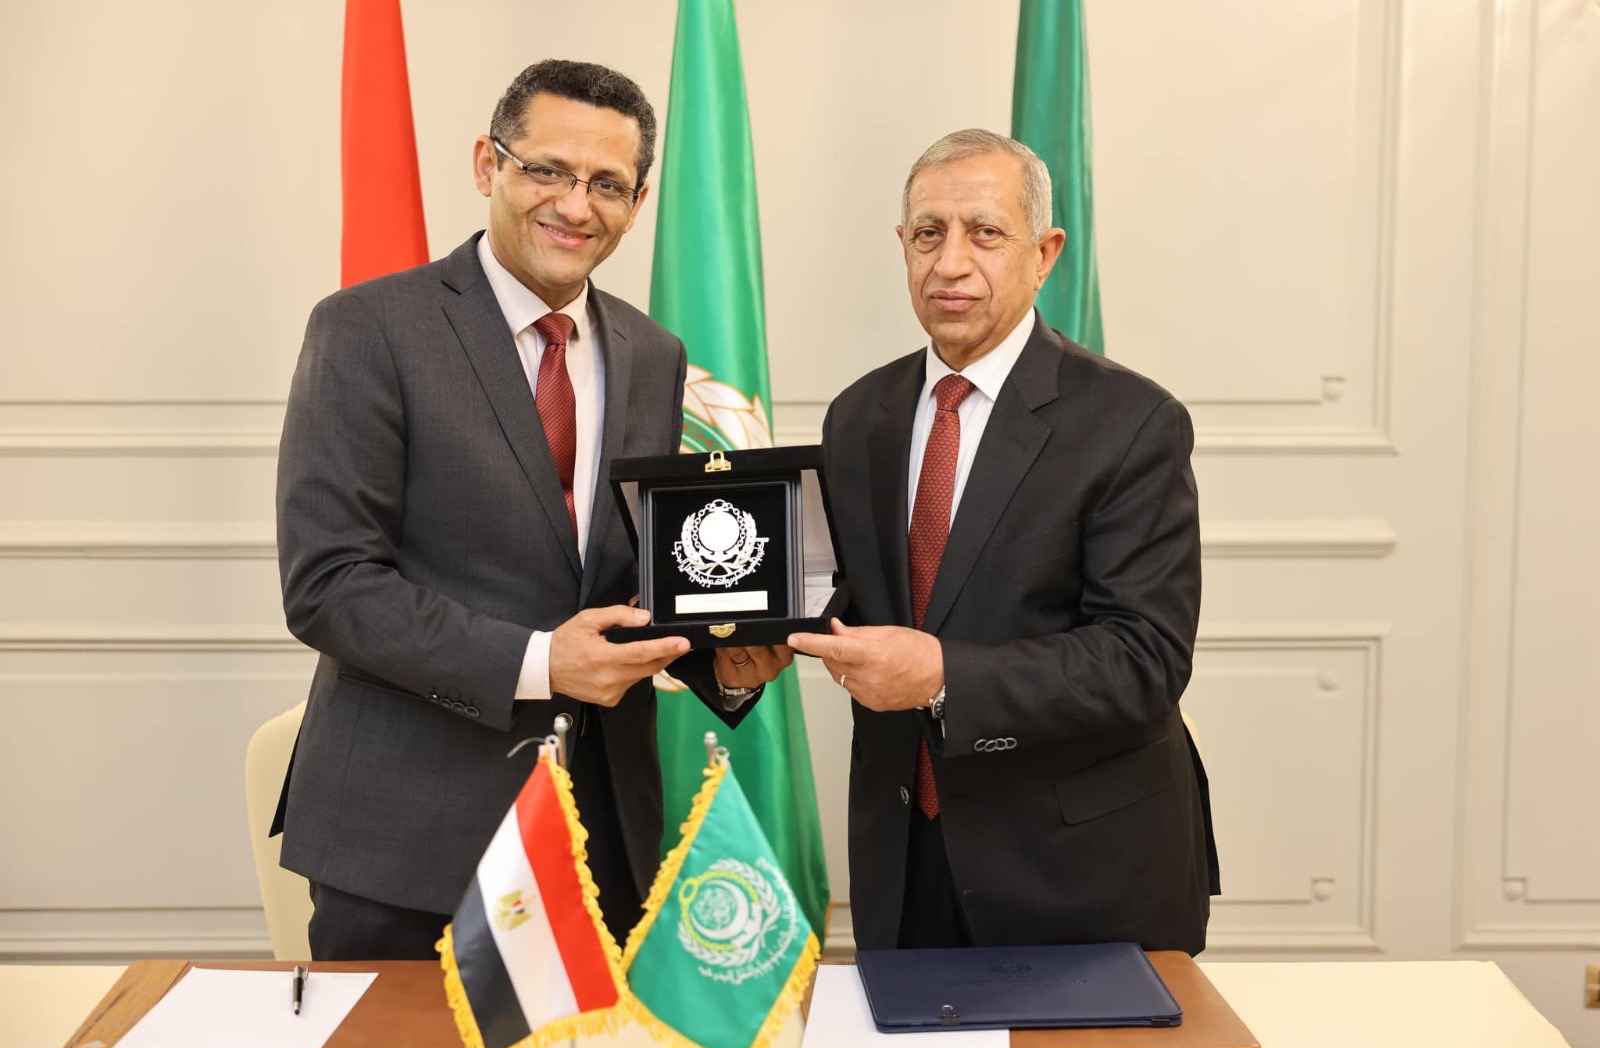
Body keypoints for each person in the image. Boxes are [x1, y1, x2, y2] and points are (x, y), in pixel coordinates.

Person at [274, 59, 791, 960]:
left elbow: (626, 576)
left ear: (639, 201)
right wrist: (544, 661)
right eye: (547, 170)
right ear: (488, 164)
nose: (575, 205)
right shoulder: (369, 329)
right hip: (408, 843)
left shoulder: (652, 351)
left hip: (603, 841)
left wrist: (728, 658)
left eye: (607, 184)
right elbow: (330, 586)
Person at [789, 129, 1218, 953]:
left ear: (1044, 253)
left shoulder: (1131, 422)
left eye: (984, 232)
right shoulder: (859, 415)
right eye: (928, 233)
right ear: (903, 245)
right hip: (902, 860)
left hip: (1077, 871)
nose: (949, 263)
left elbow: (1144, 658)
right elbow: (835, 599)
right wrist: (742, 645)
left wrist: (944, 675)